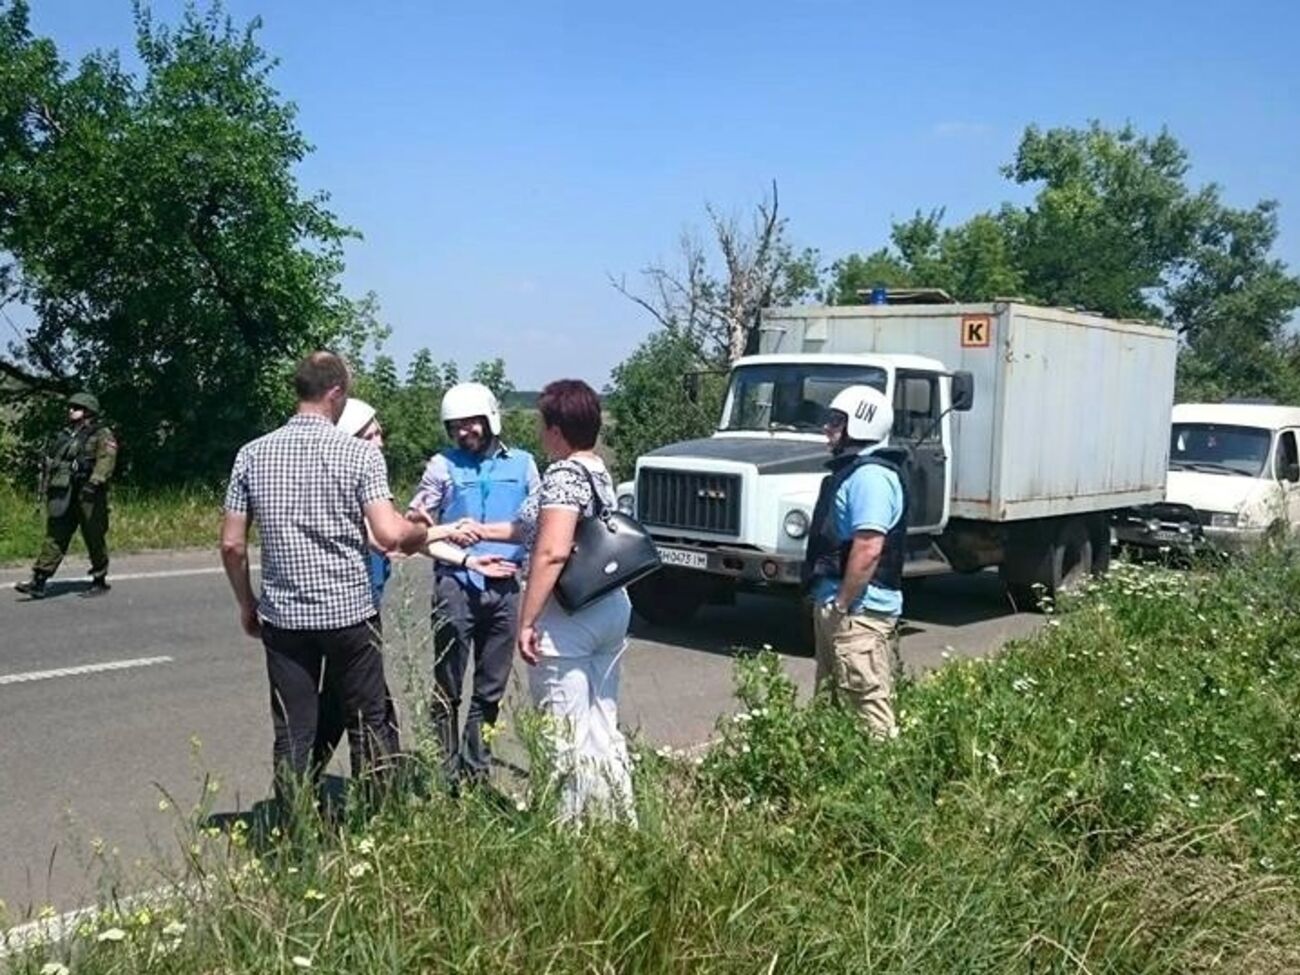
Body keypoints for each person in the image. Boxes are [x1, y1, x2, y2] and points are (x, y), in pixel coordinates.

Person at [220, 352, 429, 813]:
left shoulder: (251, 454)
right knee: (368, 720)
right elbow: (391, 533)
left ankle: (295, 830)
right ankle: (379, 822)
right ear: (335, 392)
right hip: (349, 615)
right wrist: (420, 532)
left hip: (285, 617)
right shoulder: (358, 455)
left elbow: (232, 545)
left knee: (294, 728)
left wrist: (246, 602)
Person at [312, 398, 514, 777]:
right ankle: (371, 794)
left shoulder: (520, 464)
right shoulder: (356, 478)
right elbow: (388, 538)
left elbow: (404, 538)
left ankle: (310, 783)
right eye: (371, 434)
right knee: (368, 710)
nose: (381, 441)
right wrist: (449, 532)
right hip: (350, 611)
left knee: (344, 705)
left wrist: (462, 551)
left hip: (356, 605)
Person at [467, 379, 635, 822]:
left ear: (557, 428)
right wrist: (483, 530)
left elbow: (551, 549)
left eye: (543, 424)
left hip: (571, 617)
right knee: (602, 723)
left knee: (563, 730)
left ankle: (567, 834)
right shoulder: (595, 469)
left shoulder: (561, 475)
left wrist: (527, 620)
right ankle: (617, 821)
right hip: (610, 606)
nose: (540, 432)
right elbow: (531, 528)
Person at [407, 382, 539, 787]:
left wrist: (534, 579)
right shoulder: (442, 466)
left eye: (470, 423)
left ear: (489, 419)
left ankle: (475, 770)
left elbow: (538, 526)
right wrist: (445, 532)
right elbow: (415, 523)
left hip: (505, 588)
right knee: (447, 685)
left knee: (491, 688)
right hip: (455, 584)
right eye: (456, 427)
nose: (464, 433)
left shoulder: (523, 464)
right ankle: (445, 774)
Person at [801, 384, 909, 738]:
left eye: (836, 421)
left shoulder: (871, 478)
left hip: (859, 615)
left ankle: (883, 786)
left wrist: (842, 604)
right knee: (833, 708)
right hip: (845, 611)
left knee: (869, 712)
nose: (826, 428)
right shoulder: (854, 472)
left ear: (862, 424)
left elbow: (868, 548)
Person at [16, 392, 118, 599]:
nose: (71, 410)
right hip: (64, 491)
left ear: (88, 411)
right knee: (56, 534)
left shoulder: (101, 434)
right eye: (71, 407)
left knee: (93, 535)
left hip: (89, 493)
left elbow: (107, 459)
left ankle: (99, 579)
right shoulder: (66, 435)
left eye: (76, 407)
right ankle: (39, 580)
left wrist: (95, 482)